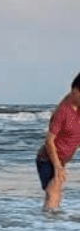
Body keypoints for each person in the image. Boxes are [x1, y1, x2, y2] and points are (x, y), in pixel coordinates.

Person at [36, 71, 80, 212]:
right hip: (48, 159)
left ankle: (52, 227)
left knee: (57, 194)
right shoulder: (63, 111)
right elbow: (49, 141)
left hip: (61, 161)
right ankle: (48, 227)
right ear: (75, 91)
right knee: (53, 193)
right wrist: (58, 167)